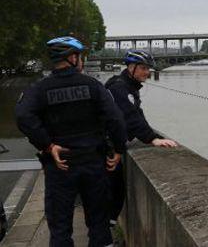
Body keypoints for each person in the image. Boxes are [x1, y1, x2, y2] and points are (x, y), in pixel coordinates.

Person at [15, 36, 127, 247]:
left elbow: (23, 117)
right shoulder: (92, 86)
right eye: (81, 56)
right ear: (72, 58)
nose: (82, 60)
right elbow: (116, 118)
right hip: (93, 163)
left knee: (60, 227)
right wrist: (119, 148)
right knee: (99, 224)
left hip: (60, 166)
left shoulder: (39, 89)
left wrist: (48, 145)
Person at [105, 49, 177, 223]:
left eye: (148, 68)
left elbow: (137, 113)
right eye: (143, 68)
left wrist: (151, 135)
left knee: (114, 192)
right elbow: (130, 116)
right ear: (131, 67)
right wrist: (152, 139)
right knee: (114, 191)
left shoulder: (126, 86)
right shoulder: (119, 88)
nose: (147, 72)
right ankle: (103, 233)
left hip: (110, 142)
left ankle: (105, 228)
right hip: (105, 145)